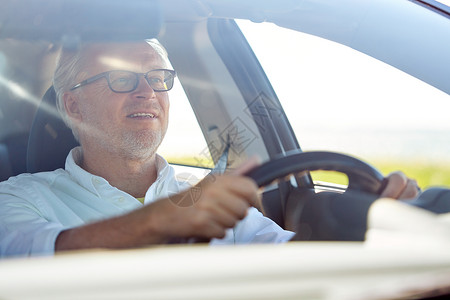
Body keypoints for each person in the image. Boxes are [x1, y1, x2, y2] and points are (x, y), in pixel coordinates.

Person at [0, 40, 419, 258]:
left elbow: (285, 258)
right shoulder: (19, 198)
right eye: (122, 78)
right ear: (73, 104)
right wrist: (162, 220)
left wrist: (364, 224)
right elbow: (34, 259)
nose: (148, 92)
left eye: (159, 77)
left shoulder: (205, 194)